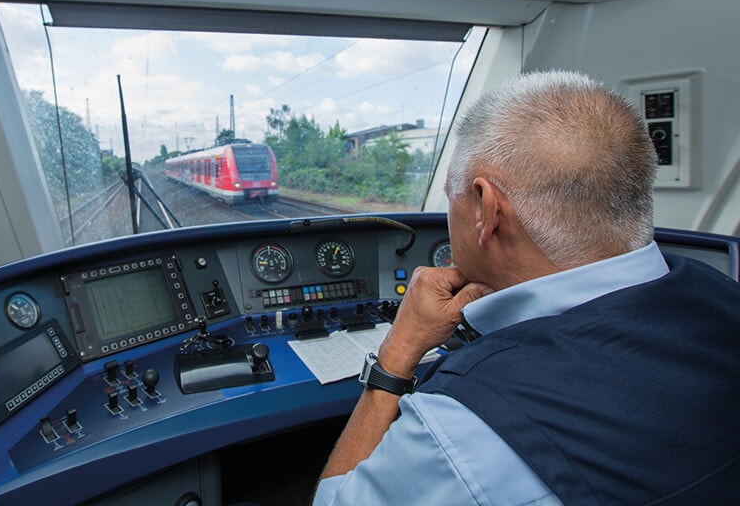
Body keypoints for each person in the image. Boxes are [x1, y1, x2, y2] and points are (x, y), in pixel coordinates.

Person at [312, 70, 740, 505]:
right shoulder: (723, 293)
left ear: (486, 209)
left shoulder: (462, 427)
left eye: (451, 196)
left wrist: (398, 352)